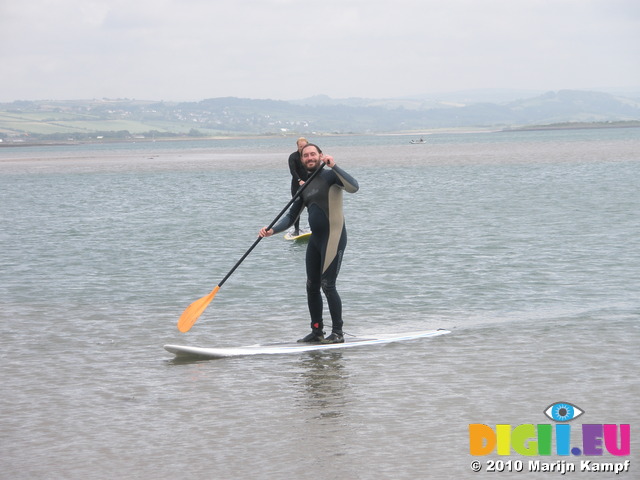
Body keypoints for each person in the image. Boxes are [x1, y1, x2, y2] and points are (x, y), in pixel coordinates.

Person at [260, 144, 359, 344]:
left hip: (334, 236)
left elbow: (353, 187)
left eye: (313, 154)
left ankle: (338, 333)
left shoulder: (331, 177)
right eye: (306, 155)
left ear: (320, 156)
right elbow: (291, 216)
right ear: (302, 159)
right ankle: (317, 331)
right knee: (311, 286)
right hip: (316, 240)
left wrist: (335, 166)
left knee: (327, 285)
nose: (309, 157)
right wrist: (272, 230)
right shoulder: (303, 187)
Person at [287, 137, 309, 235]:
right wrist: (299, 180)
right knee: (296, 207)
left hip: (309, 184)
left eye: (304, 146)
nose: (302, 148)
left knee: (311, 206)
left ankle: (312, 227)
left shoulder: (309, 157)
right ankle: (296, 230)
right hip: (297, 185)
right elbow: (293, 171)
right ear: (297, 146)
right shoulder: (293, 157)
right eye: (301, 146)